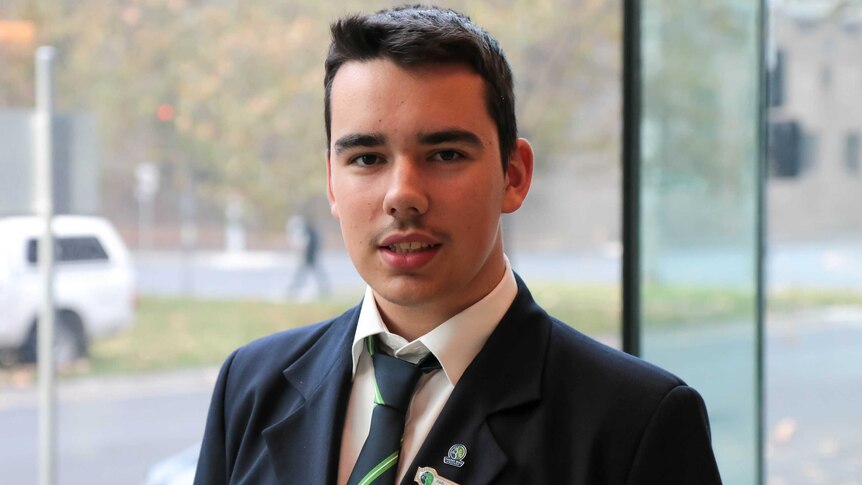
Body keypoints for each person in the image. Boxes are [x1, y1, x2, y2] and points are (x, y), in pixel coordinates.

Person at [194, 5, 722, 485]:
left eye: (445, 154)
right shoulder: (252, 385)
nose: (403, 196)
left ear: (513, 175)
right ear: (332, 184)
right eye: (367, 159)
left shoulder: (636, 422)